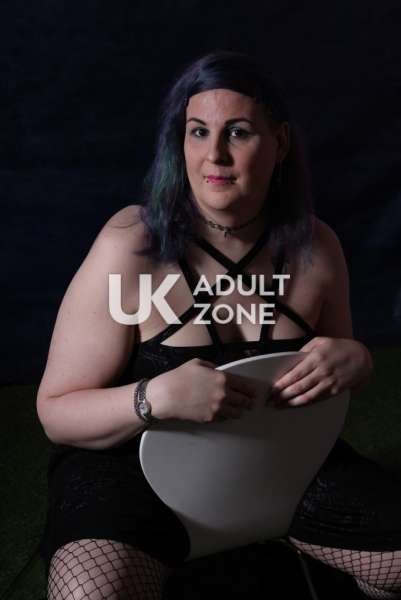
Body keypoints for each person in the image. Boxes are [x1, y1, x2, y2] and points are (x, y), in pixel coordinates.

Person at [36, 50, 401, 600]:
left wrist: (357, 359)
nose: (215, 154)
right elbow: (56, 413)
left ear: (279, 143)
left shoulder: (317, 246)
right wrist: (153, 397)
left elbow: (340, 368)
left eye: (238, 132)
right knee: (89, 593)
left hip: (281, 464)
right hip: (132, 477)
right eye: (198, 132)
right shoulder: (130, 245)